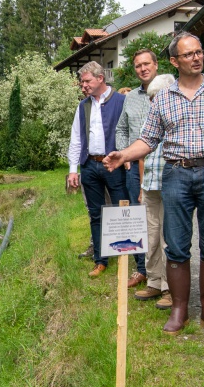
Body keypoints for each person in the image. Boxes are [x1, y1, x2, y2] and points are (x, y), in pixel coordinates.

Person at [103, 32, 204, 338]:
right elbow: (147, 139)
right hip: (176, 175)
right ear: (174, 61)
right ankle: (180, 310)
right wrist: (123, 155)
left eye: (199, 52)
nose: (196, 58)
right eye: (188, 54)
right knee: (176, 245)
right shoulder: (163, 98)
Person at [67, 61, 127, 278]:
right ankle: (100, 260)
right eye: (81, 82)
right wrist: (73, 169)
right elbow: (76, 138)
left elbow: (129, 131)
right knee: (96, 214)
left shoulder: (121, 100)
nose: (83, 86)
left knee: (121, 211)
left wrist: (127, 156)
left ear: (100, 78)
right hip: (89, 165)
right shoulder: (83, 106)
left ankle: (125, 256)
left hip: (114, 164)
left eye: (86, 81)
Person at [131, 73, 175, 310]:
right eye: (151, 98)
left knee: (170, 238)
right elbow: (143, 152)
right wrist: (140, 186)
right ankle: (154, 281)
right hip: (150, 184)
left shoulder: (179, 114)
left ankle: (171, 287)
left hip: (171, 184)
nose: (153, 102)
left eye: (156, 97)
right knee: (150, 235)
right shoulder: (151, 116)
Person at [115, 49, 158, 289]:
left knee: (162, 218)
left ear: (156, 65)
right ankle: (141, 269)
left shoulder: (169, 89)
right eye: (138, 66)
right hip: (134, 167)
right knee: (137, 217)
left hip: (163, 164)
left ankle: (163, 273)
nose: (142, 69)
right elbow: (121, 129)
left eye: (146, 64)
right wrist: (125, 155)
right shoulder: (130, 97)